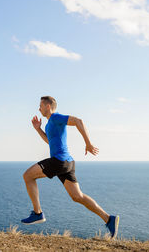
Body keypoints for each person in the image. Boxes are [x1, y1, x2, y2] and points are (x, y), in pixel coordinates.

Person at [21, 96, 119, 238]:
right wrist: (38, 129)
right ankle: (109, 219)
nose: (39, 108)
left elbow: (78, 121)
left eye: (40, 106)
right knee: (77, 196)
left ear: (48, 106)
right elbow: (50, 142)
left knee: (28, 175)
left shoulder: (55, 117)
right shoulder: (50, 124)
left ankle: (37, 213)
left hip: (59, 161)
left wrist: (88, 143)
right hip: (67, 163)